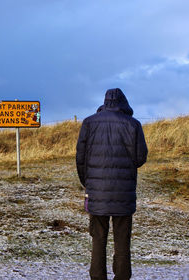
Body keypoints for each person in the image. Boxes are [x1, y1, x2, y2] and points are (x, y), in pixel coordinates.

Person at [76, 88, 148, 280]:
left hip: (97, 193)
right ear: (123, 103)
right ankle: (122, 277)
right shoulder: (133, 125)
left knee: (98, 239)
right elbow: (140, 158)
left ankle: (98, 277)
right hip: (123, 194)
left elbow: (80, 159)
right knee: (122, 241)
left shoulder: (89, 123)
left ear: (105, 102)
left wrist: (88, 184)